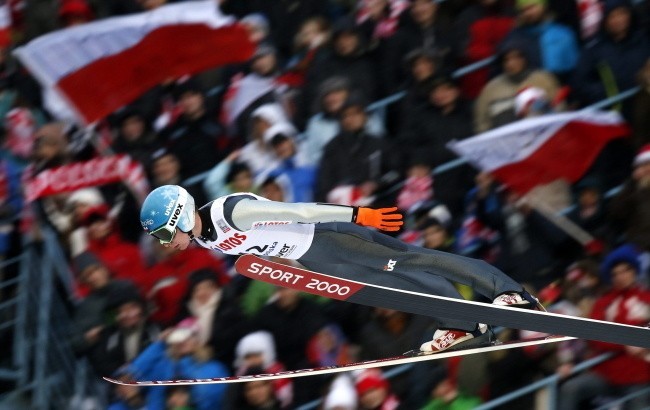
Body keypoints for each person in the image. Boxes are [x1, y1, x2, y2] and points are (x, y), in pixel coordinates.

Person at [139, 184, 544, 354]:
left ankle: (508, 292)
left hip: (330, 236)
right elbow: (266, 244)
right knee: (396, 289)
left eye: (163, 234)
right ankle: (467, 325)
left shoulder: (231, 210)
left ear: (179, 215)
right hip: (316, 257)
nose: (164, 245)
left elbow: (298, 210)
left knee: (410, 261)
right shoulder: (203, 238)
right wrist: (292, 267)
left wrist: (358, 214)